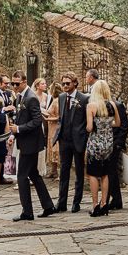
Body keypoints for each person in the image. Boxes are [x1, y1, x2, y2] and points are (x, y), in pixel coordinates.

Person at [9, 70, 56, 221]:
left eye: (17, 83)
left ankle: (27, 212)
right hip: (24, 141)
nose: (14, 86)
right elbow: (19, 119)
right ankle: (48, 206)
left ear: (24, 82)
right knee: (33, 174)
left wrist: (19, 129)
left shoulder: (31, 98)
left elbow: (37, 121)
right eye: (13, 83)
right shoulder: (19, 97)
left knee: (21, 176)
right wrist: (13, 134)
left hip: (31, 143)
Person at [54, 71, 89, 213]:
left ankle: (76, 202)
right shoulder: (61, 97)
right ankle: (61, 202)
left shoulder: (83, 99)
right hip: (64, 140)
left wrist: (84, 137)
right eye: (63, 84)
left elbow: (87, 120)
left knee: (79, 171)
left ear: (75, 83)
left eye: (68, 83)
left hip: (78, 140)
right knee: (64, 171)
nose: (65, 86)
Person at [85, 80, 120, 217]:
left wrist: (95, 126)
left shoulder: (91, 106)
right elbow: (117, 123)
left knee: (93, 174)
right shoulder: (112, 105)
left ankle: (95, 205)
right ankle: (104, 203)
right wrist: (107, 125)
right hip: (108, 143)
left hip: (95, 143)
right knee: (105, 173)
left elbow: (89, 127)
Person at [107, 97, 128, 210]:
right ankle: (116, 199)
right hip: (105, 144)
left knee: (111, 171)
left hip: (115, 144)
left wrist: (118, 143)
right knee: (110, 172)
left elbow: (124, 126)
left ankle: (114, 199)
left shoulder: (118, 105)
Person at [44, 82, 62, 178]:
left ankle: (58, 172)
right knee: (52, 147)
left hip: (55, 127)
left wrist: (48, 119)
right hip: (51, 128)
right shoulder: (54, 100)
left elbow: (59, 117)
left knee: (56, 149)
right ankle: (53, 171)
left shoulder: (57, 101)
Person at [32, 77, 49, 177]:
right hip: (37, 121)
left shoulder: (46, 96)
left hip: (45, 122)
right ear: (37, 86)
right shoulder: (33, 96)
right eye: (42, 84)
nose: (45, 85)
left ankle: (41, 168)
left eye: (45, 83)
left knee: (44, 144)